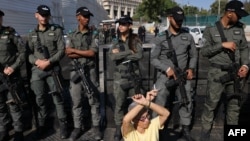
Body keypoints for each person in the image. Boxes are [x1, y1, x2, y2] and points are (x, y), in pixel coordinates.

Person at [200, 1, 249, 141]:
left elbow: (245, 48)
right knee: (210, 106)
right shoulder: (210, 29)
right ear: (229, 13)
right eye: (238, 14)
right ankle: (204, 137)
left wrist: (245, 65)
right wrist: (221, 45)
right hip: (216, 74)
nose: (240, 18)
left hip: (235, 75)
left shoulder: (239, 29)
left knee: (234, 108)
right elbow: (204, 51)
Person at [150, 6, 197, 141]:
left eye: (181, 20)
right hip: (165, 76)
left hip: (182, 75)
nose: (179, 22)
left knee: (186, 99)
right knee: (159, 101)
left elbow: (193, 55)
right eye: (176, 20)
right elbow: (153, 58)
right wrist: (166, 69)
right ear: (170, 18)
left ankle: (186, 129)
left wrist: (191, 68)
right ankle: (155, 130)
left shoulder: (188, 36)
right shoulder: (160, 38)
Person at [26, 5, 68, 139]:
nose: (44, 17)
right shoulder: (32, 33)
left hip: (52, 69)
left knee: (58, 98)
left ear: (49, 16)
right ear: (36, 15)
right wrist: (37, 62)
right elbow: (28, 53)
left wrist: (48, 62)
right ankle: (42, 125)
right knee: (39, 98)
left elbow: (62, 50)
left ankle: (63, 126)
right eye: (42, 15)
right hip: (37, 70)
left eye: (46, 15)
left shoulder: (56, 31)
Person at [65, 7, 102, 141]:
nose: (87, 19)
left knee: (93, 99)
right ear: (78, 17)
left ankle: (96, 126)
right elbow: (67, 53)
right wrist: (82, 52)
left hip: (90, 70)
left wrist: (75, 51)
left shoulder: (94, 33)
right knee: (76, 101)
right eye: (84, 16)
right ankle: (77, 127)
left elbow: (92, 52)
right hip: (75, 71)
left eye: (88, 16)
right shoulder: (71, 33)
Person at [109, 15, 144, 141]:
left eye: (123, 24)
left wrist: (120, 55)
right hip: (120, 78)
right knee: (119, 105)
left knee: (136, 104)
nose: (121, 26)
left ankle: (135, 127)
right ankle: (119, 129)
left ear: (129, 25)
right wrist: (129, 52)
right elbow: (112, 57)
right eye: (120, 24)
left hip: (133, 77)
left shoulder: (135, 40)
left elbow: (139, 55)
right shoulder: (115, 41)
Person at [0, 9, 26, 141]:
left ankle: (18, 131)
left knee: (14, 104)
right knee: (0, 106)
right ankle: (3, 130)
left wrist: (13, 67)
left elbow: (22, 51)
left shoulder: (9, 33)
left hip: (10, 76)